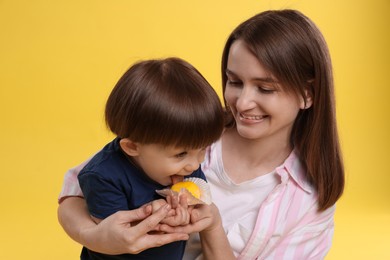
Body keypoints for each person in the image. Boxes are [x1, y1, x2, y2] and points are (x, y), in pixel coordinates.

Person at [58, 9, 344, 259]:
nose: (242, 103)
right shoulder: (193, 126)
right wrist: (96, 237)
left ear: (308, 94)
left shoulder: (308, 201)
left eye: (265, 88)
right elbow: (76, 190)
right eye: (234, 81)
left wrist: (212, 226)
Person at [64, 57, 225, 259]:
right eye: (180, 154)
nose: (194, 164)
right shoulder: (103, 176)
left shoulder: (186, 165)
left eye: (203, 149)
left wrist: (188, 213)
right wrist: (156, 216)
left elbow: (198, 200)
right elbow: (113, 237)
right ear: (132, 147)